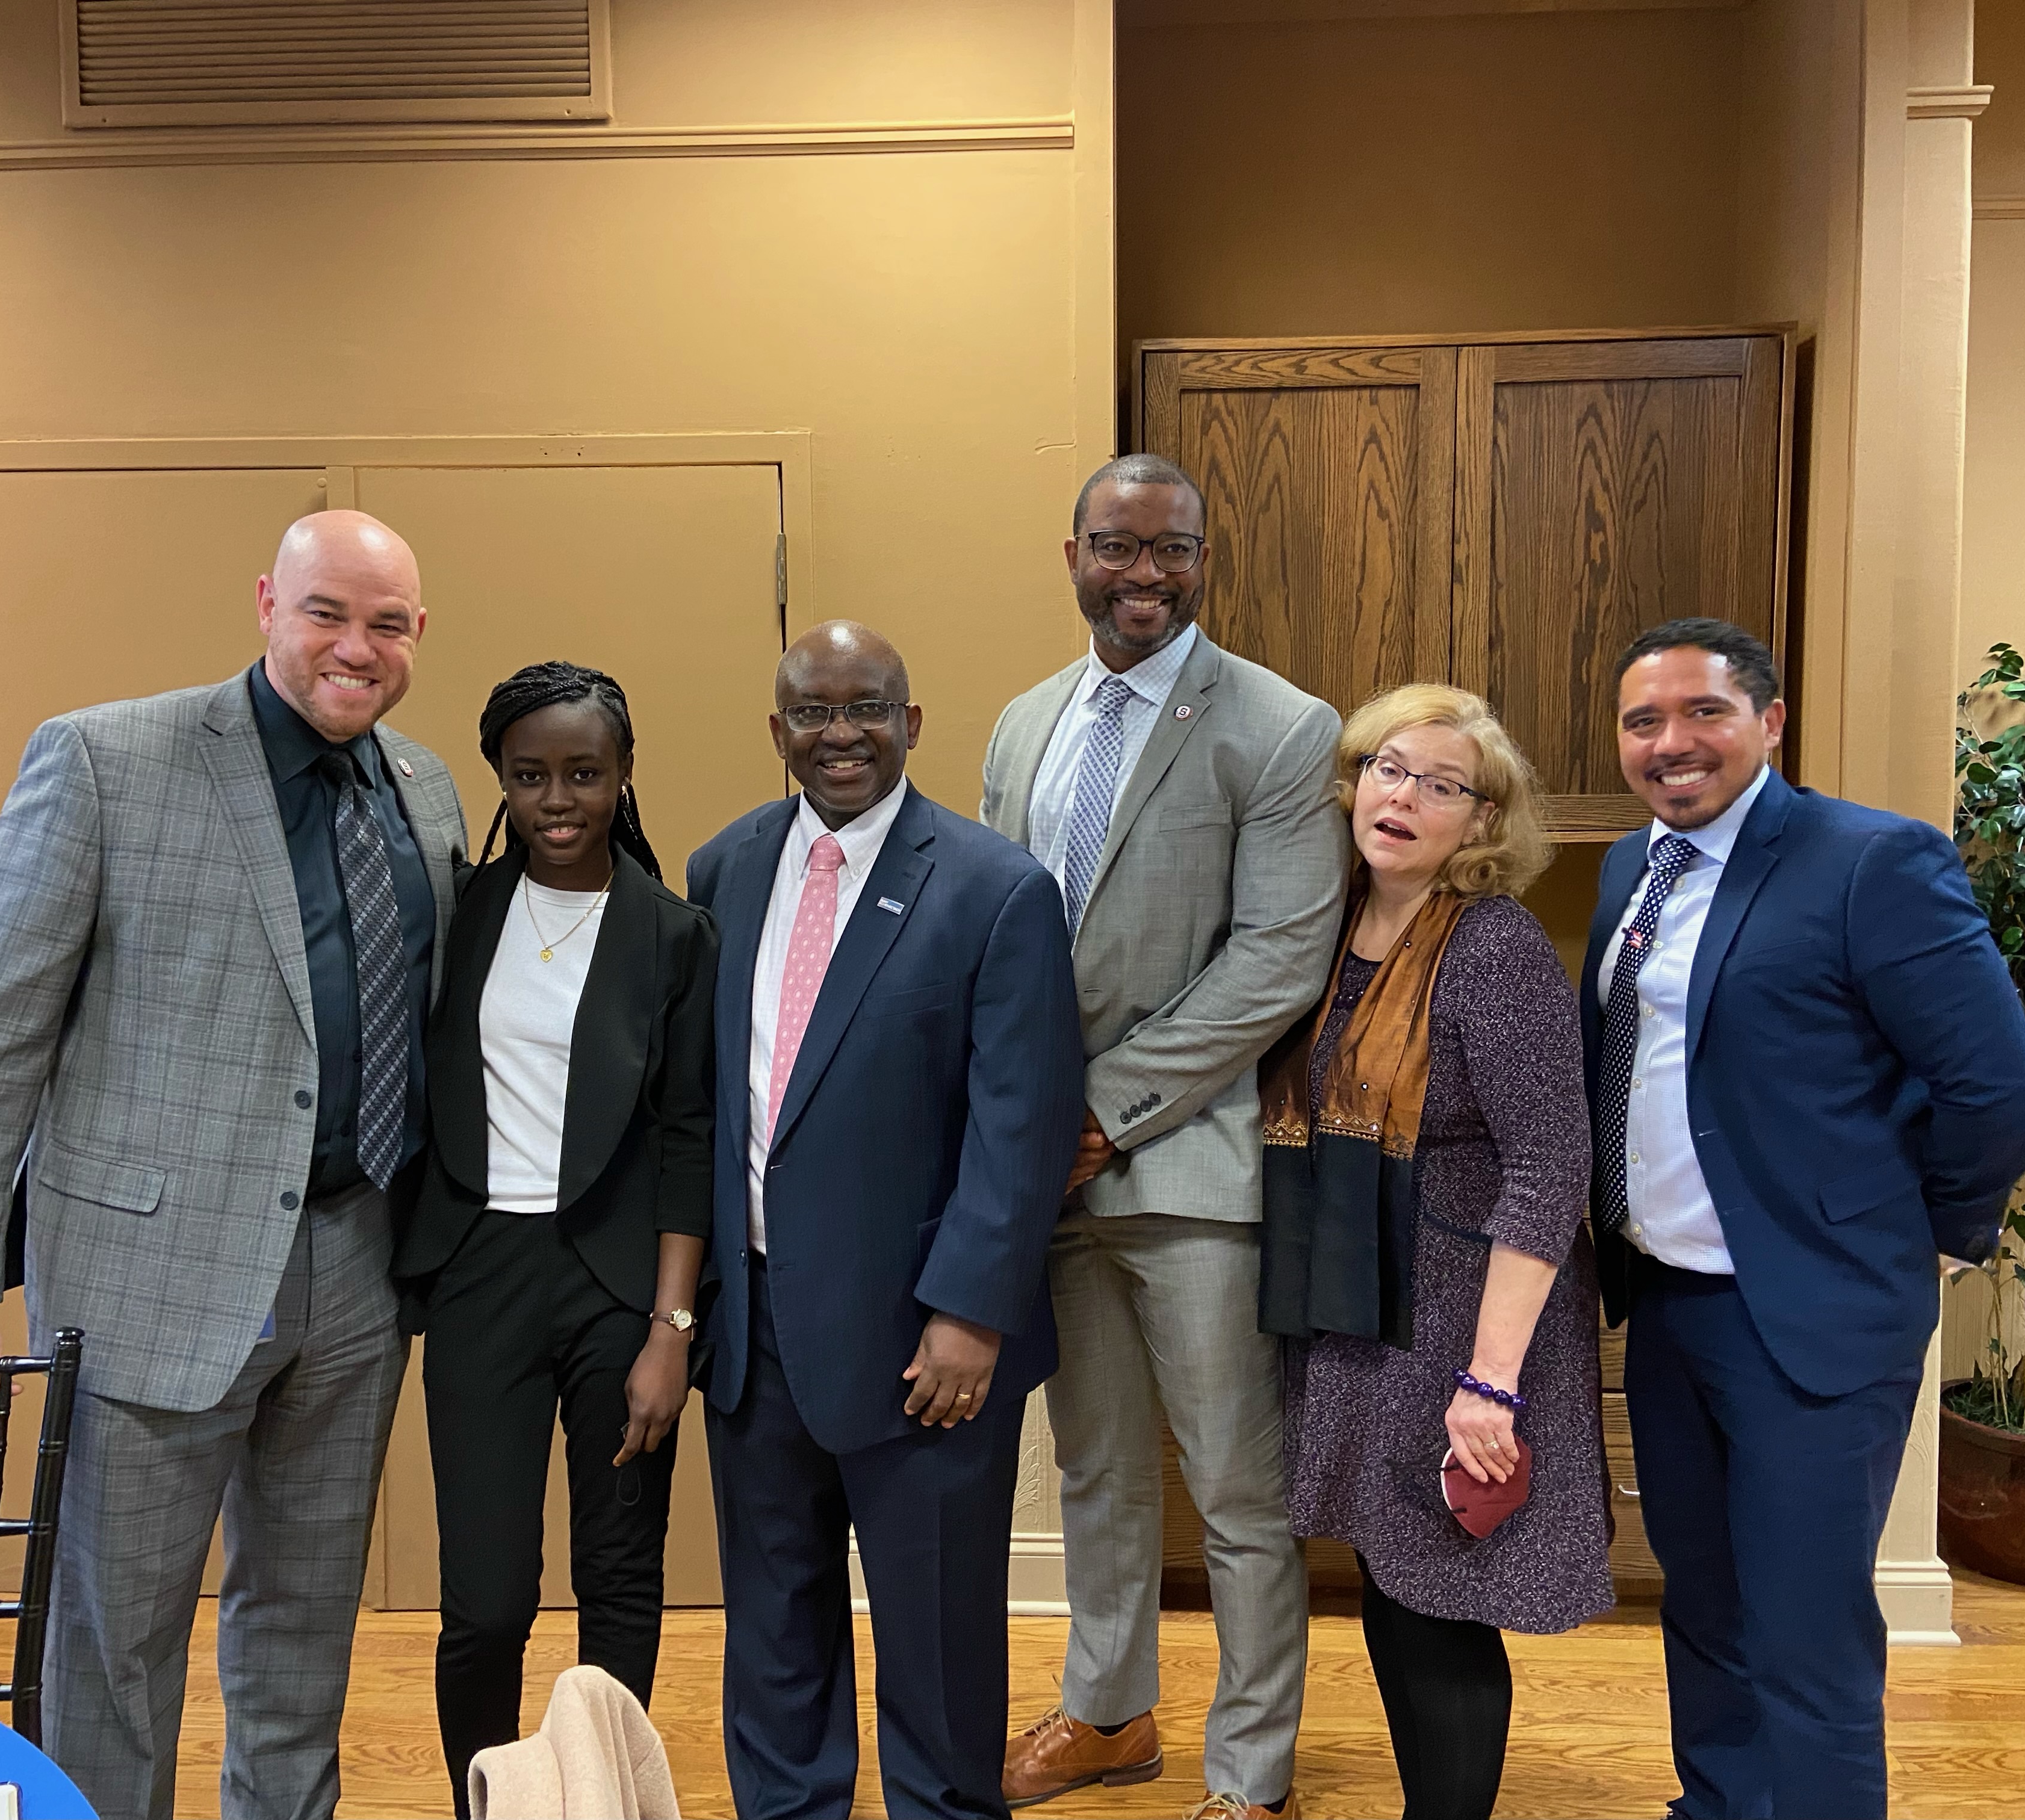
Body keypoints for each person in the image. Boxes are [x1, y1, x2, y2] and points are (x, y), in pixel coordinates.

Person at [0, 512, 468, 1820]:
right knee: (115, 1650)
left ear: (418, 635)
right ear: (267, 603)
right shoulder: (105, 761)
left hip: (359, 1277)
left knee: (303, 1639)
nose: (353, 648)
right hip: (148, 1281)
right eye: (326, 613)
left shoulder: (423, 788)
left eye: (385, 624)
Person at [1585, 618, 2025, 1820]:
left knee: (1806, 1629)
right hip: (1672, 1306)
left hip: (1812, 1314)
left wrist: (1928, 1233)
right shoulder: (1629, 873)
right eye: (1645, 721)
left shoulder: (1869, 861)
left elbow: (1998, 1091)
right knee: (1706, 1601)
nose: (1672, 744)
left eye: (1704, 713)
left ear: (1771, 723)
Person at [982, 454, 1348, 1820]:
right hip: (1047, 1179)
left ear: (1206, 558)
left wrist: (1103, 1107)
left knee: (1239, 1495)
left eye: (1174, 551)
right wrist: (1019, 1124)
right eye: (1120, 548)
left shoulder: (1279, 725)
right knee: (1093, 1470)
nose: (1147, 576)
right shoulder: (1025, 725)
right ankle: (1109, 1712)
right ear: (1071, 552)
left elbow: (1276, 961)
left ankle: (1249, 1780)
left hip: (1189, 1171)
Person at [686, 621, 1083, 1820]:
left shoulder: (994, 887)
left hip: (925, 1346)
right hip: (754, 1333)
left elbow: (1023, 1123)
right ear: (777, 732)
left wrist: (971, 1312)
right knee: (774, 1632)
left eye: (867, 708)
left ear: (912, 725)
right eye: (812, 710)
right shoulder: (723, 870)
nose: (839, 731)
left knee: (941, 1647)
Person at [1266, 685, 1610, 1820]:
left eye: (1442, 785)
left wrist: (1490, 1381)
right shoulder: (1329, 927)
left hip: (1464, 1325)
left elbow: (1551, 1168)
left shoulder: (1494, 947)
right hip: (1364, 1310)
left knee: (1443, 1595)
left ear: (1483, 822)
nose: (1404, 797)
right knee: (1393, 1575)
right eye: (1387, 768)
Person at [394, 661, 718, 1816]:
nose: (559, 798)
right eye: (530, 776)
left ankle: (600, 1802)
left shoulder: (674, 935)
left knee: (619, 1580)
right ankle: (489, 1801)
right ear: (502, 781)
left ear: (624, 774)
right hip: (483, 1274)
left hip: (621, 1287)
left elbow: (690, 1138)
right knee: (484, 1599)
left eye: (585, 772)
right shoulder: (459, 911)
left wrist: (671, 1331)